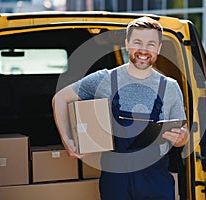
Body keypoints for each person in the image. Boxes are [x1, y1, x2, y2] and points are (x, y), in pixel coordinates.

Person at [52, 16, 190, 200]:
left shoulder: (170, 87)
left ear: (158, 48)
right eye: (137, 42)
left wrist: (182, 136)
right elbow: (60, 98)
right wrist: (67, 140)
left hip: (155, 181)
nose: (143, 50)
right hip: (116, 182)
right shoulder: (105, 79)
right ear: (127, 43)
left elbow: (183, 136)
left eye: (150, 44)